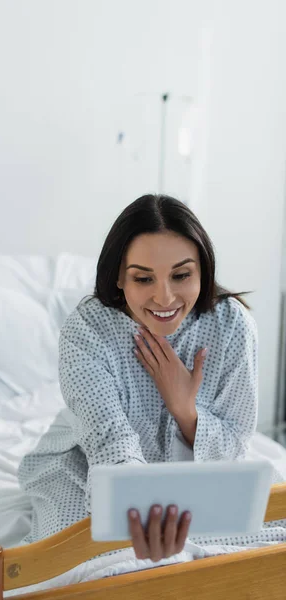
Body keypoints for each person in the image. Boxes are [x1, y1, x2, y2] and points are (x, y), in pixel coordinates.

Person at [17, 193, 259, 562]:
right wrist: (140, 511)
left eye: (181, 275)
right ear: (118, 276)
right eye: (144, 278)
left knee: (256, 550)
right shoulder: (88, 329)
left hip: (198, 475)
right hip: (86, 466)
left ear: (202, 270)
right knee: (78, 559)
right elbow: (109, 445)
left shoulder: (231, 327)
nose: (164, 297)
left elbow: (236, 448)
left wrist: (185, 410)